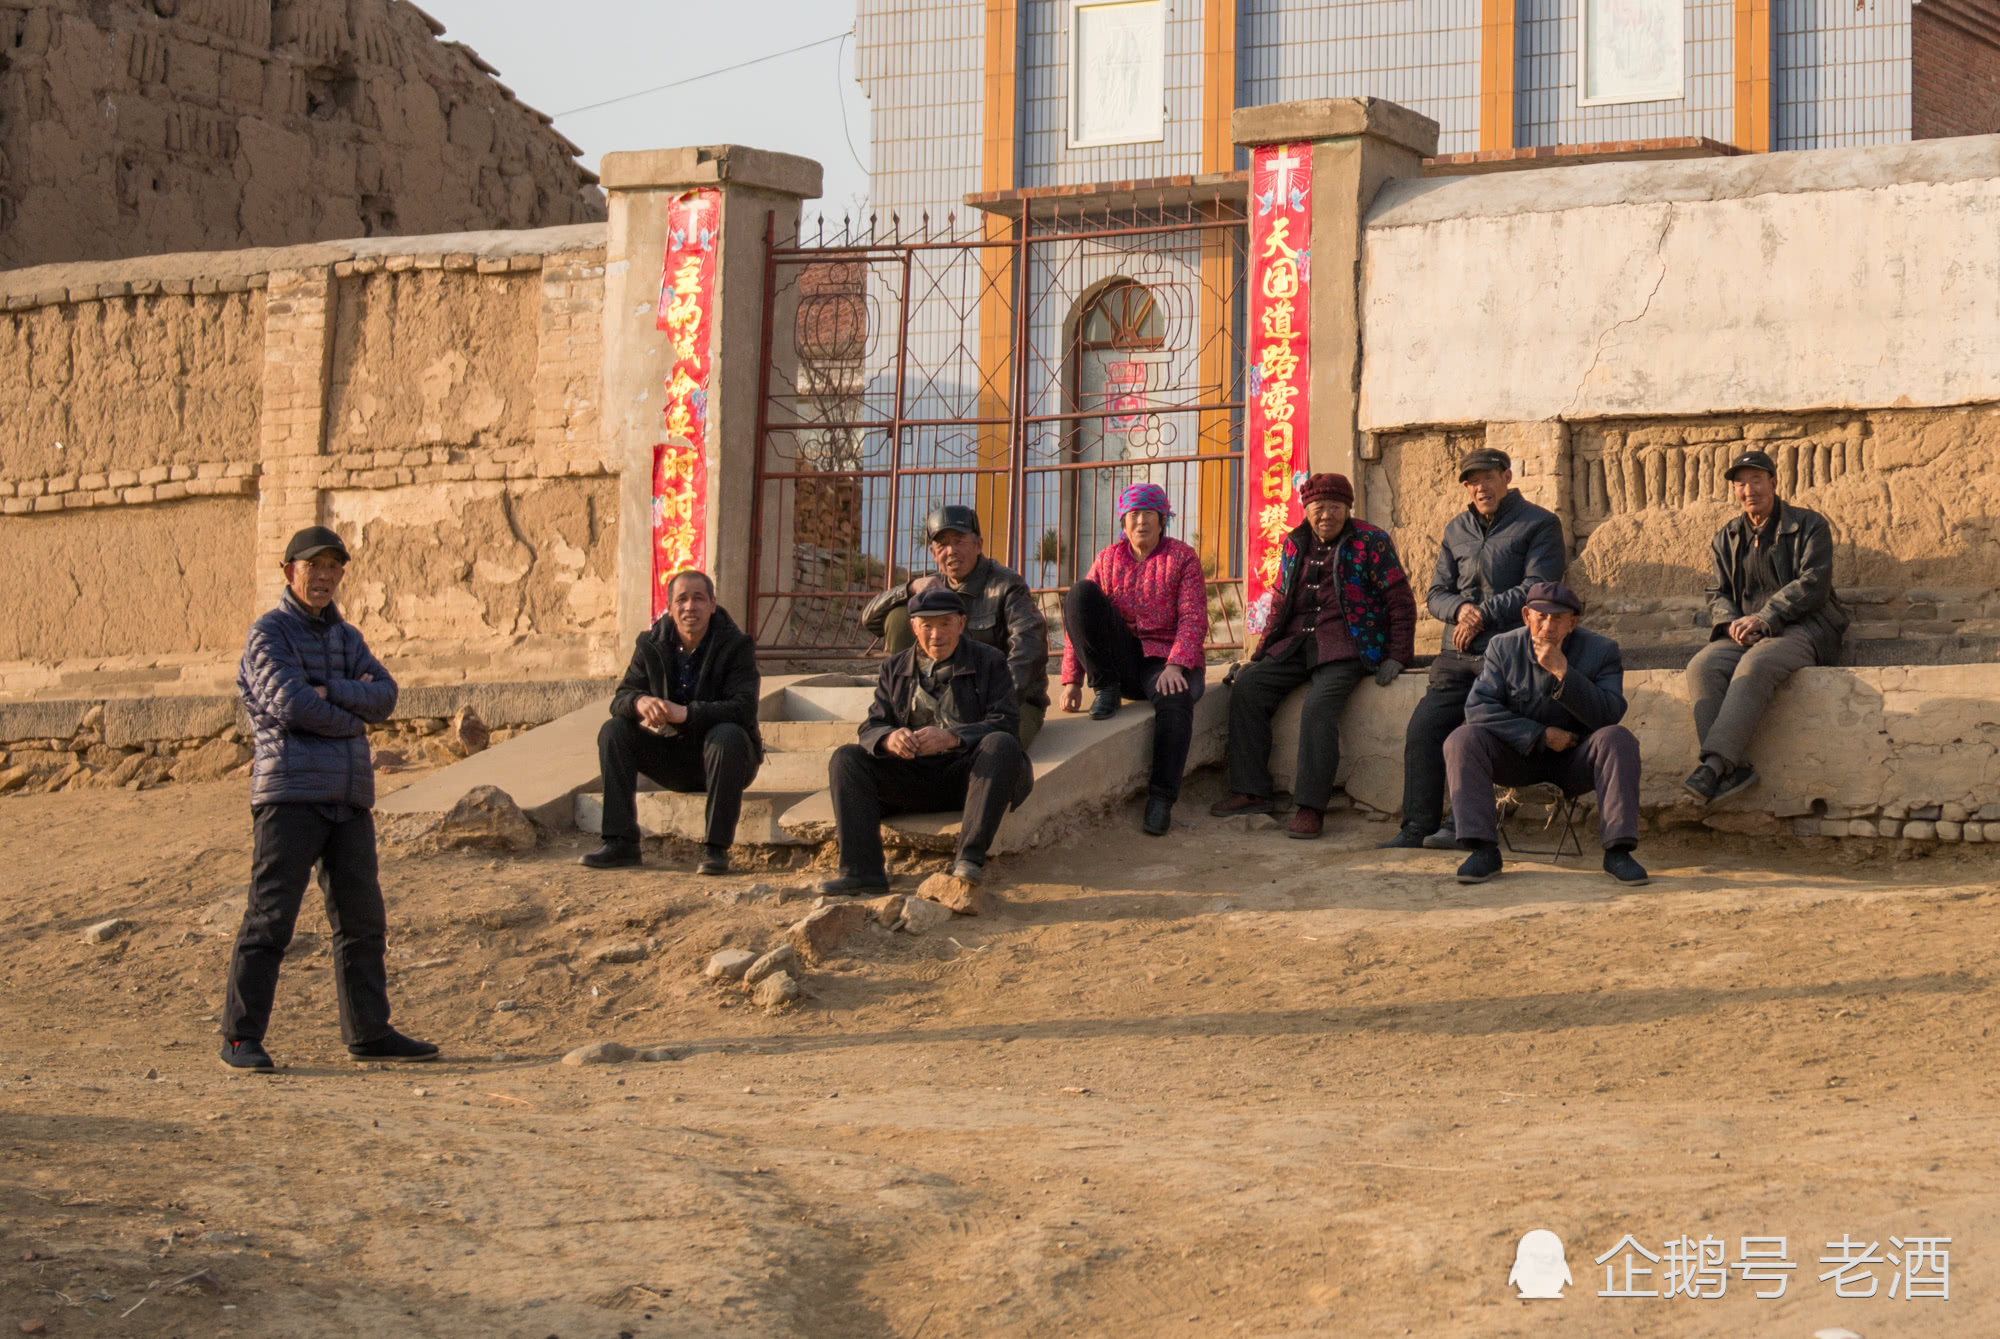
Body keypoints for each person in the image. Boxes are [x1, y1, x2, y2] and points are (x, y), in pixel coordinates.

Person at [220, 526, 437, 1071]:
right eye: (312, 566)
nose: (323, 577)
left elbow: (385, 696)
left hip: (348, 797)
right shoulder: (267, 634)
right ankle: (240, 1038)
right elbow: (291, 705)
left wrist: (335, 691)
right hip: (289, 794)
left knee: (363, 922)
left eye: (333, 567)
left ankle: (369, 1032)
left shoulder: (348, 638)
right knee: (271, 920)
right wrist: (350, 718)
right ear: (288, 571)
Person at [1378, 448, 1567, 851]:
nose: (1480, 487)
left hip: (1510, 655)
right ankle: (1417, 826)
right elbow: (1435, 594)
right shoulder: (1456, 529)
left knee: (1474, 733)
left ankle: (1459, 824)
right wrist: (1461, 610)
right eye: (1472, 481)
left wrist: (1481, 614)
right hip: (1456, 656)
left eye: (1487, 477)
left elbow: (1538, 588)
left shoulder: (1540, 524)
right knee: (1424, 729)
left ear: (1507, 476)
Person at [1211, 472, 1418, 839]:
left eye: (1335, 507)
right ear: (1306, 510)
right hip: (1294, 643)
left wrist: (1397, 654)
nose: (1326, 515)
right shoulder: (1294, 543)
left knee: (1318, 706)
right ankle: (1251, 790)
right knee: (1248, 687)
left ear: (1348, 509)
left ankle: (1310, 807)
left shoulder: (1371, 541)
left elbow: (1399, 599)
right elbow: (1279, 601)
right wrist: (1260, 655)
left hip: (1348, 645)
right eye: (1318, 507)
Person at [822, 587, 1034, 894]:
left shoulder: (990, 661)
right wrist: (888, 738)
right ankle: (861, 872)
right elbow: (873, 724)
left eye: (945, 623)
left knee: (1001, 744)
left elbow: (1006, 721)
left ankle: (969, 860)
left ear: (961, 624)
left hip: (970, 779)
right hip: (912, 777)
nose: (936, 635)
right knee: (846, 758)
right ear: (913, 628)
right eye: (927, 626)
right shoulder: (894, 668)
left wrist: (952, 738)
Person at [1442, 582, 1648, 887]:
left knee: (1618, 739)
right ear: (1526, 615)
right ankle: (1483, 850)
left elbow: (1609, 712)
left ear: (1573, 623)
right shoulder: (1502, 647)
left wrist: (1564, 672)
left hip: (1574, 761)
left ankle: (1618, 852)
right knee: (1462, 739)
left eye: (1558, 618)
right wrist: (1539, 735)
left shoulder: (1602, 651)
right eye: (1541, 617)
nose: (1548, 626)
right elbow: (1478, 708)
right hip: (1517, 756)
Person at [1682, 449, 1849, 804]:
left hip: (1805, 628)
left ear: (1774, 482)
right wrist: (1730, 624)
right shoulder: (1725, 537)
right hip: (1747, 632)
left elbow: (1814, 583)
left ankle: (1713, 766)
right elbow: (1716, 592)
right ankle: (1735, 768)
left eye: (1756, 480)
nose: (1748, 490)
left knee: (1755, 665)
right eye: (1740, 484)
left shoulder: (1809, 525)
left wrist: (1765, 617)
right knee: (1702, 665)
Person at [584, 569, 762, 875]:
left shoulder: (736, 646)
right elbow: (621, 697)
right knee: (614, 731)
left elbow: (743, 707)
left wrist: (688, 713)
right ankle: (620, 842)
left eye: (698, 599)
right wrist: (639, 702)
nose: (689, 607)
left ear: (712, 605)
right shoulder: (651, 644)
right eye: (681, 599)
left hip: (726, 759)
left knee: (727, 735)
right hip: (673, 757)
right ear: (669, 607)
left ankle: (715, 850)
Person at [1059, 481, 1210, 836]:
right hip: (1123, 660)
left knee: (1177, 700)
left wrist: (1176, 665)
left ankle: (1161, 799)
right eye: (1134, 515)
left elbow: (1193, 618)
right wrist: (1071, 680)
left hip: (1166, 661)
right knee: (1080, 595)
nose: (1141, 521)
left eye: (1149, 514)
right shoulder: (1108, 558)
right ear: (1123, 523)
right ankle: (1106, 688)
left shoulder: (1182, 557)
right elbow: (1079, 623)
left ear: (1162, 520)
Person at [861, 504, 1050, 747]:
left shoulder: (1006, 585)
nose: (951, 551)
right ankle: (908, 709)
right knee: (898, 617)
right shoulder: (931, 588)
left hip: (1006, 702)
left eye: (959, 541)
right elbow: (870, 621)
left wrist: (996, 701)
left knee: (996, 747)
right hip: (944, 699)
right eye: (942, 545)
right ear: (932, 552)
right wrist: (909, 589)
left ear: (978, 544)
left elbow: (1029, 648)